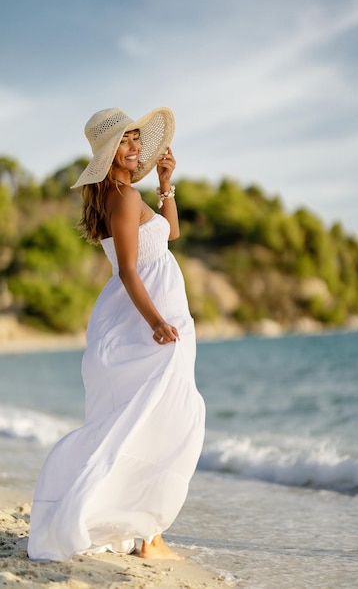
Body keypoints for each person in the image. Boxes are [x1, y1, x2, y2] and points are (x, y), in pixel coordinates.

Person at [27, 106, 206, 562]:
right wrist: (156, 323)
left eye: (134, 138)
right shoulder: (123, 199)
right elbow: (129, 270)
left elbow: (171, 235)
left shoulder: (128, 195)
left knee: (156, 416)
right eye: (124, 141)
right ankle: (149, 534)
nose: (134, 146)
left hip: (148, 316)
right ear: (108, 155)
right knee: (163, 417)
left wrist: (167, 186)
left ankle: (147, 530)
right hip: (144, 320)